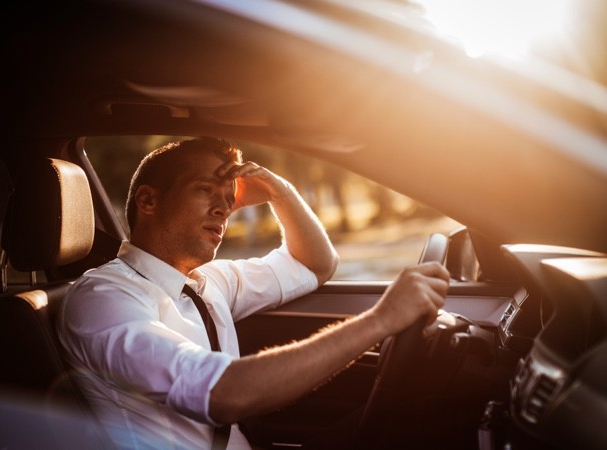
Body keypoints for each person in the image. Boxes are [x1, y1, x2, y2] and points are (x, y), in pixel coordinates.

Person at [57, 136, 449, 450]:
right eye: (205, 190)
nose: (223, 210)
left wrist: (281, 194)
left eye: (229, 201)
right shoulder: (103, 298)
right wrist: (381, 320)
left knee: (424, 414)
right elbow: (225, 393)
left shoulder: (211, 281)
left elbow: (316, 264)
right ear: (148, 200)